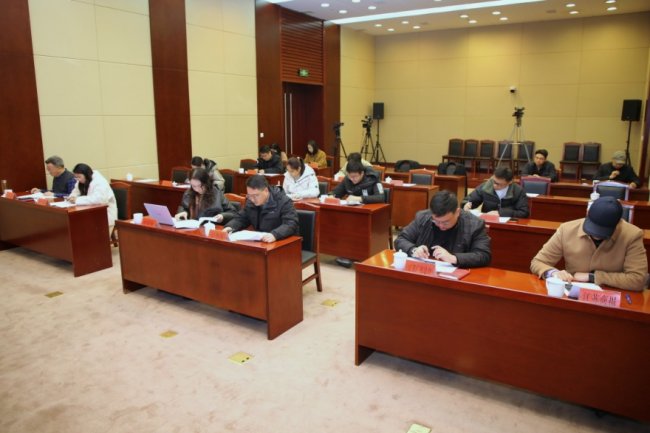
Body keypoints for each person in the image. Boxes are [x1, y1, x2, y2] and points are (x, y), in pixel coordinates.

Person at [530, 196, 647, 291]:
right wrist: (553, 273)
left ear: (618, 223)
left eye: (603, 232)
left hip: (611, 295)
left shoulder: (632, 235)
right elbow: (538, 262)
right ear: (587, 214)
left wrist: (594, 277)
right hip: (573, 292)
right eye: (593, 229)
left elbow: (638, 279)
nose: (597, 236)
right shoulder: (566, 229)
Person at [395, 191, 491, 268]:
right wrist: (413, 250)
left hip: (456, 277)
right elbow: (401, 239)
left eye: (446, 222)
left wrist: (454, 258)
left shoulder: (475, 225)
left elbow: (483, 255)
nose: (441, 226)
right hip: (425, 271)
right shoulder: (423, 217)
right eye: (436, 221)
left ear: (457, 212)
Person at [224, 175, 298, 243]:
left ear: (266, 190)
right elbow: (242, 218)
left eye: (256, 195)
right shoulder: (250, 201)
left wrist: (275, 235)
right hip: (262, 241)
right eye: (249, 195)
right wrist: (231, 226)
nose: (252, 199)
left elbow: (290, 223)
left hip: (282, 241)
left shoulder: (284, 201)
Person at [463, 166, 529, 218]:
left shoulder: (518, 191)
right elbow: (470, 200)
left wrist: (501, 213)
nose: (494, 185)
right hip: (487, 221)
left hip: (508, 224)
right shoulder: (485, 186)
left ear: (510, 182)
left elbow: (524, 212)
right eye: (494, 181)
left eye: (498, 184)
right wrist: (466, 205)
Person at [67, 163, 117, 227]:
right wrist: (72, 197)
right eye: (76, 177)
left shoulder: (99, 181)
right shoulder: (81, 180)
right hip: (89, 213)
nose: (77, 179)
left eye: (79, 177)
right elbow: (76, 191)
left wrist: (77, 200)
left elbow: (99, 200)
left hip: (105, 215)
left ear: (86, 175)